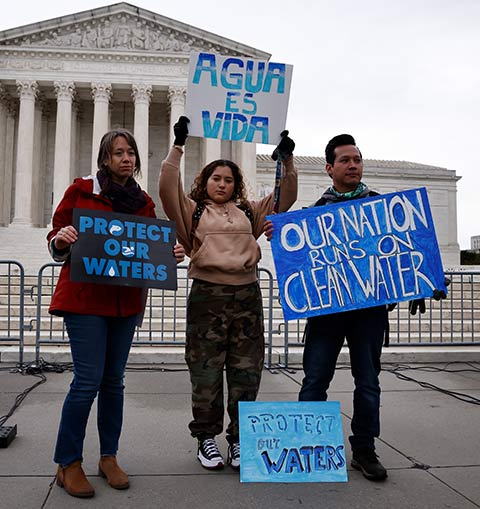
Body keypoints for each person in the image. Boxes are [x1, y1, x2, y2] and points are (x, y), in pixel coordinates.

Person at [48, 128, 185, 498]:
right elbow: (56, 238)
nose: (126, 158)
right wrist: (60, 241)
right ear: (105, 159)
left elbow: (151, 247)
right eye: (118, 153)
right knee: (87, 381)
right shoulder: (82, 191)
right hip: (86, 301)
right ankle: (68, 462)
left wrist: (169, 256)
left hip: (125, 304)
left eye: (131, 153)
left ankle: (108, 457)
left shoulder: (143, 203)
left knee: (114, 382)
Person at [159, 117, 297, 471]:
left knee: (246, 371)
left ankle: (239, 440)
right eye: (215, 178)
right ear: (204, 181)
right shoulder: (192, 211)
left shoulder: (249, 210)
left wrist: (286, 159)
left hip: (247, 295)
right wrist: (178, 146)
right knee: (205, 370)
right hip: (208, 295)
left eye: (228, 179)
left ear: (236, 185)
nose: (221, 184)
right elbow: (166, 187)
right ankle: (206, 438)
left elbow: (285, 197)